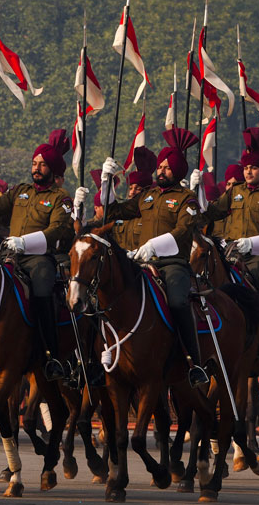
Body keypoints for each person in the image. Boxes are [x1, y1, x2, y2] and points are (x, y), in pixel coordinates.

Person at [90, 128, 209, 386]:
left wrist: (154, 246)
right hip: (143, 263)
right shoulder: (148, 196)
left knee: (177, 302)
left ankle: (193, 361)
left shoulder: (186, 199)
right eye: (161, 166)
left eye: (167, 167)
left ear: (177, 171)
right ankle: (98, 361)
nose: (161, 171)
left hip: (172, 264)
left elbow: (182, 231)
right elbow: (115, 212)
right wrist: (107, 184)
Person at [0, 130, 75, 381]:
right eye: (35, 163)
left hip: (39, 258)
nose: (36, 168)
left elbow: (58, 229)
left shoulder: (61, 198)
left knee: (42, 291)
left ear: (52, 169)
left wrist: (24, 242)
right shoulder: (19, 191)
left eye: (42, 164)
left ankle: (50, 355)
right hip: (10, 257)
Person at [196, 128, 259, 375]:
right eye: (246, 167)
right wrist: (197, 195)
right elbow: (212, 213)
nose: (249, 171)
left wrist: (253, 243)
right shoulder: (235, 192)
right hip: (230, 253)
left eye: (254, 168)